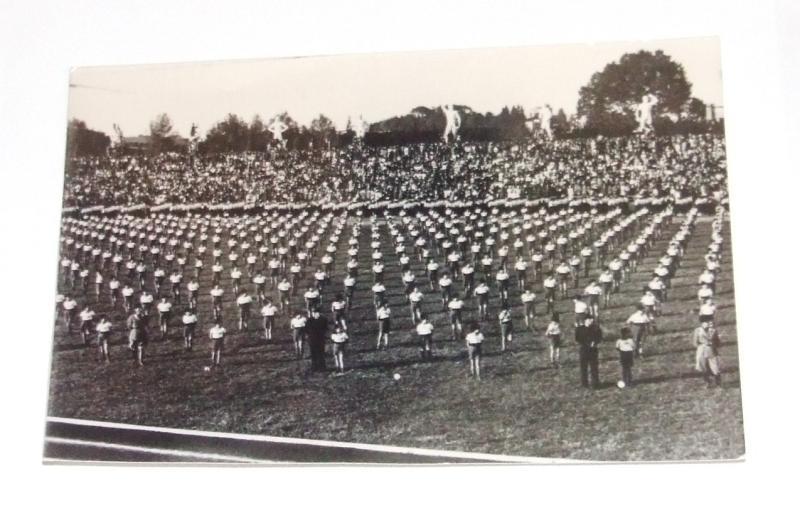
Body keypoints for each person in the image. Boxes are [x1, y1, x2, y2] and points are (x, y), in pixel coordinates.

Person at [575, 316, 602, 389]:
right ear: (585, 320)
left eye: (592, 319)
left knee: (594, 368)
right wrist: (586, 343)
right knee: (583, 368)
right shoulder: (579, 329)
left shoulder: (596, 328)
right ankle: (584, 384)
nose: (592, 320)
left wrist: (595, 342)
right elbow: (577, 339)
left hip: (593, 351)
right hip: (584, 350)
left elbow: (600, 337)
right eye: (590, 319)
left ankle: (595, 384)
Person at [693, 320, 722, 386]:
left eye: (710, 323)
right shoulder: (698, 330)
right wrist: (702, 345)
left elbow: (718, 343)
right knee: (703, 367)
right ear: (702, 323)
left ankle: (718, 383)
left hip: (711, 350)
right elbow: (695, 343)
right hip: (701, 351)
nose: (708, 324)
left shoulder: (713, 330)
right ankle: (707, 382)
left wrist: (713, 344)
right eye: (706, 323)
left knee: (715, 367)